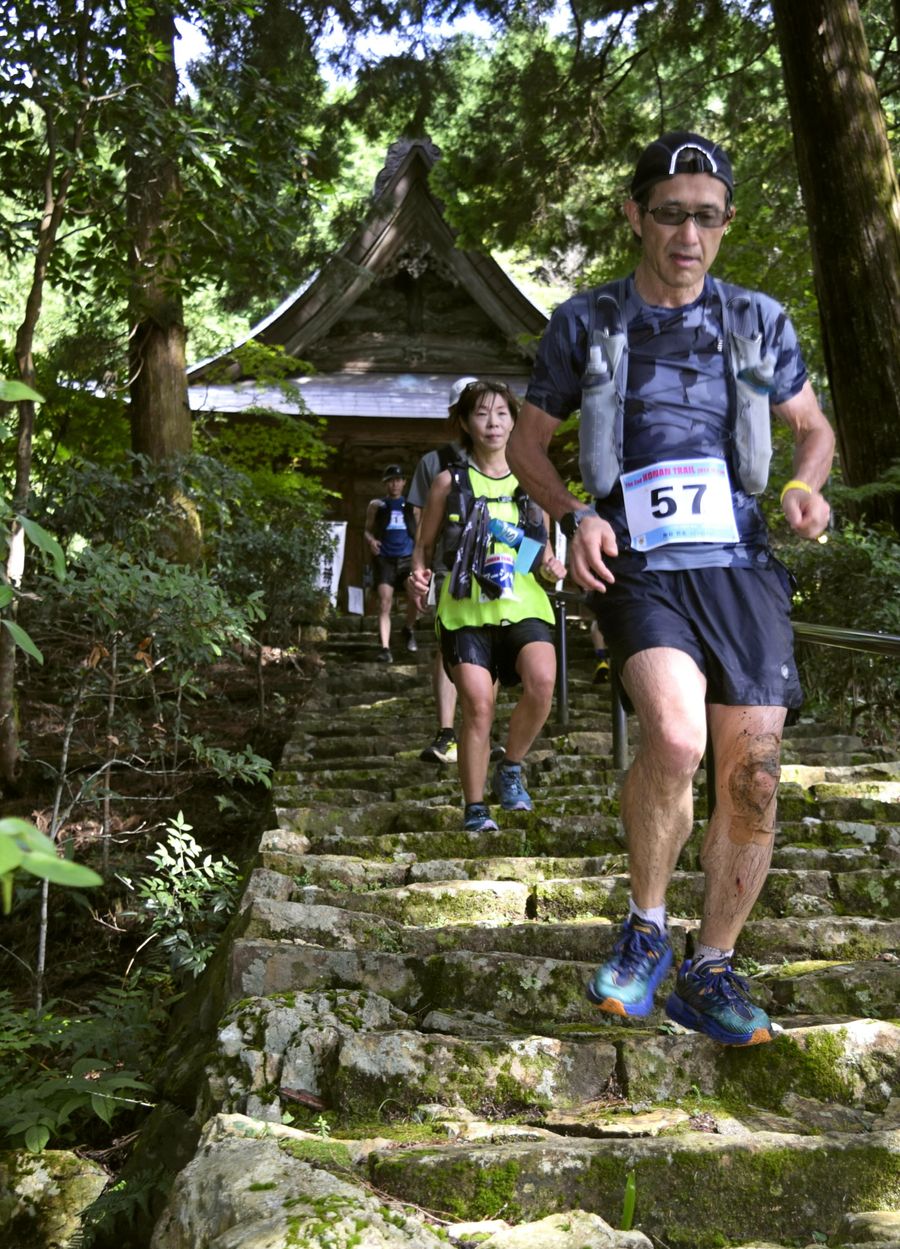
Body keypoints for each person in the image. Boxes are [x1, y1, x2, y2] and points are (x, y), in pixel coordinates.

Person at [507, 131, 834, 1046]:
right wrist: (576, 513)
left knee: (755, 776)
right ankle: (647, 924)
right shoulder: (589, 322)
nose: (688, 233)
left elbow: (810, 427)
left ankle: (712, 965)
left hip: (739, 561)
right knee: (679, 736)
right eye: (669, 214)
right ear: (635, 214)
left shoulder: (757, 323)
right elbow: (529, 445)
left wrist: (808, 485)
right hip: (639, 558)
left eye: (706, 216)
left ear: (724, 222)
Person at [410, 380, 566, 832]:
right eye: (481, 414)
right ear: (464, 422)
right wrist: (417, 575)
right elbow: (425, 546)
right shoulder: (447, 482)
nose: (493, 423)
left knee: (543, 681)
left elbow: (545, 551)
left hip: (525, 602)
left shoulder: (536, 482)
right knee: (478, 705)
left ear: (515, 421)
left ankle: (511, 766)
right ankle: (475, 808)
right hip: (465, 609)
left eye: (501, 413)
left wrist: (553, 566)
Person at [407, 377, 476, 763]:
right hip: (449, 568)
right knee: (450, 645)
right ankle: (448, 730)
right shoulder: (434, 462)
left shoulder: (509, 458)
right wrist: (420, 565)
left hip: (499, 573)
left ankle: (478, 730)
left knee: (490, 647)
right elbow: (420, 515)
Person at [364, 465, 419, 663]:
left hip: (406, 558)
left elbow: (420, 533)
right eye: (390, 480)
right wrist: (371, 541)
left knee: (416, 596)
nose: (394, 484)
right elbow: (367, 530)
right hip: (384, 558)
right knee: (385, 602)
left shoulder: (412, 505)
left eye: (398, 480)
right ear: (385, 483)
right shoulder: (377, 505)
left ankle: (408, 628)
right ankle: (385, 647)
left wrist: (420, 557)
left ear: (404, 482)